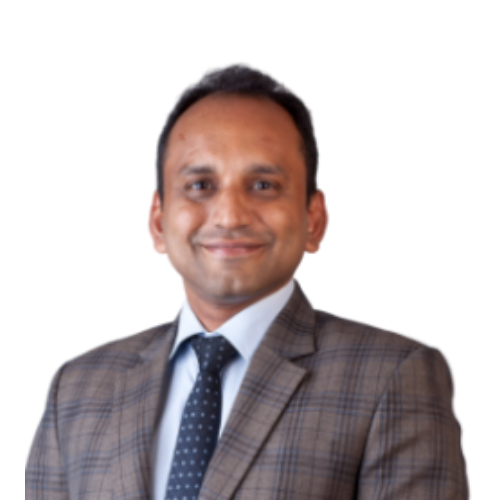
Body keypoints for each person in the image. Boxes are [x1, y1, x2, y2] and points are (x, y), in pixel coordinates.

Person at [26, 62, 470, 499]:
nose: (229, 216)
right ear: (157, 222)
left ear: (314, 220)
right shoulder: (76, 388)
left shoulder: (394, 376)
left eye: (262, 185)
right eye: (200, 185)